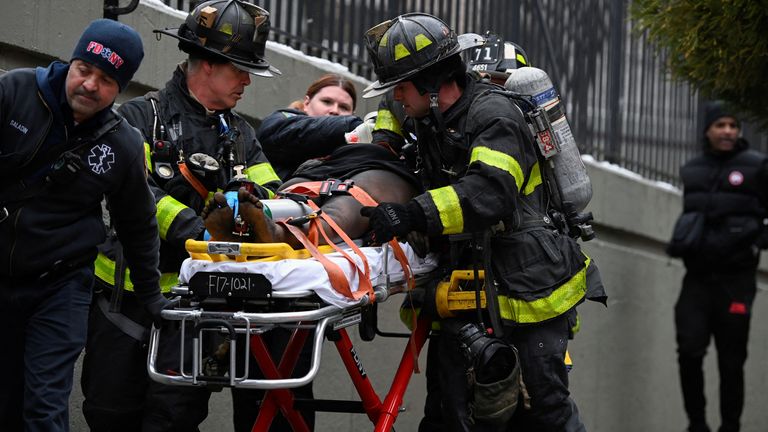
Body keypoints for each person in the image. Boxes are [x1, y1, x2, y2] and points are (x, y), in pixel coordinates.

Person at [359, 13, 605, 431]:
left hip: (527, 290)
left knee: (542, 413)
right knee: (449, 416)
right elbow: (387, 116)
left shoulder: (495, 116)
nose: (397, 96)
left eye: (402, 85)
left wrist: (412, 213)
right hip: (463, 290)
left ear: (434, 84)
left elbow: (489, 193)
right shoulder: (429, 118)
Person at [79, 2, 282, 431]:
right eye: (239, 68)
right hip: (126, 301)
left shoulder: (243, 137)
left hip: (200, 309)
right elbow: (132, 194)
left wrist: (236, 206)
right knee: (108, 413)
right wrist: (197, 230)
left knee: (175, 419)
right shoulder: (138, 119)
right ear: (206, 64)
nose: (247, 80)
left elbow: (268, 198)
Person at [0, 19, 168, 432]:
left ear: (121, 87)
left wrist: (151, 297)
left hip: (61, 283)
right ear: (70, 62)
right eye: (84, 69)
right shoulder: (16, 91)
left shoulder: (122, 143)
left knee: (44, 405)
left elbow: (138, 223)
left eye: (107, 79)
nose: (91, 85)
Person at [668, 101, 767, 432]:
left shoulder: (756, 166)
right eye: (720, 125)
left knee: (731, 360)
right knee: (689, 351)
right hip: (697, 278)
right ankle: (697, 423)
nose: (727, 131)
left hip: (736, 280)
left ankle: (730, 426)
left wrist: (756, 242)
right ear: (707, 130)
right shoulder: (692, 169)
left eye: (733, 126)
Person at [258, 73, 364, 180]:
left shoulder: (354, 151)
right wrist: (352, 125)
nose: (335, 111)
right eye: (327, 102)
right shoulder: (282, 121)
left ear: (352, 114)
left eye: (344, 107)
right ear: (307, 103)